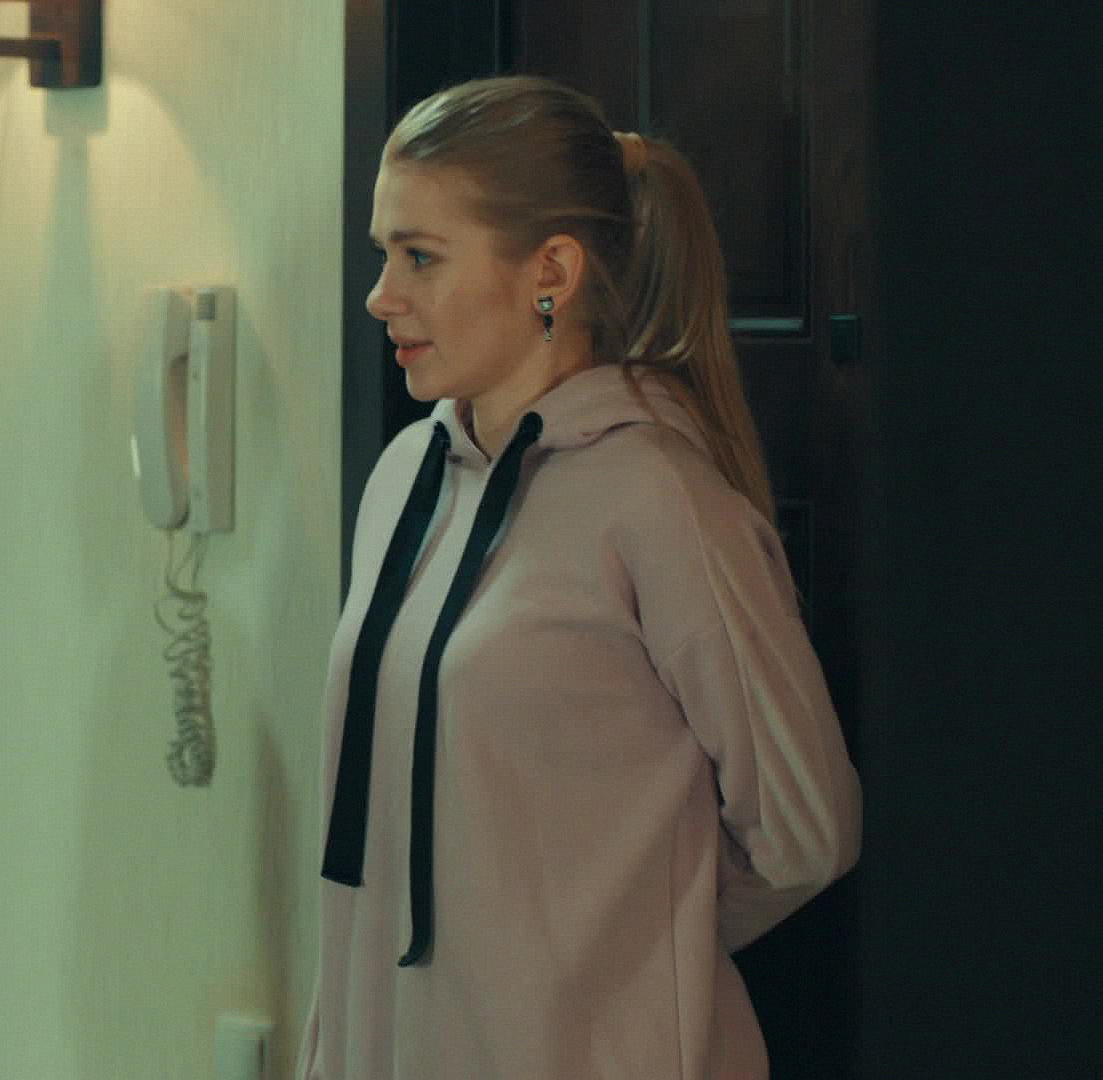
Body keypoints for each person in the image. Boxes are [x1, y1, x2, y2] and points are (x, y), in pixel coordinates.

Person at [301, 76, 862, 1079]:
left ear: (550, 270)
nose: (382, 294)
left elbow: (806, 832)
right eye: (384, 253)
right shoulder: (403, 479)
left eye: (420, 256)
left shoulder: (658, 499)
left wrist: (619, 946)